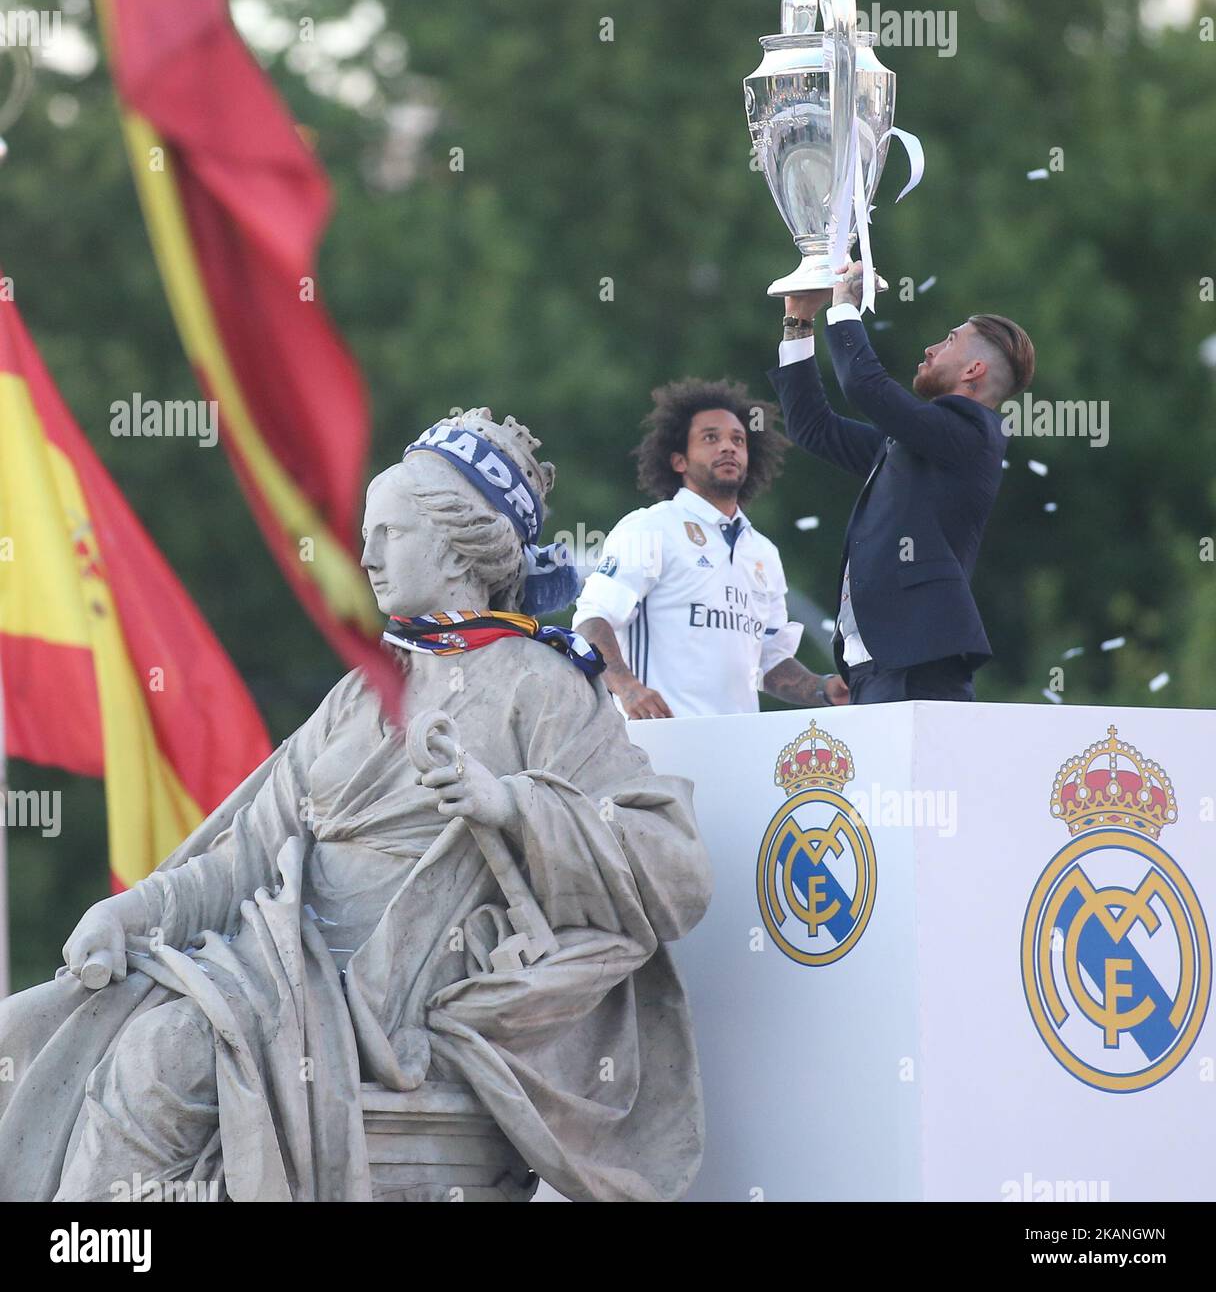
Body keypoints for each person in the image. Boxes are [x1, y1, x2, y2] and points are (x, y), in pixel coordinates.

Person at [0, 408, 712, 1203]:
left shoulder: (540, 685)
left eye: (389, 534)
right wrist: (130, 914)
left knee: (161, 1053)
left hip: (385, 1004)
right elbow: (245, 855)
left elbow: (673, 867)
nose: (366, 557)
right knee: (67, 1032)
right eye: (366, 535)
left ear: (458, 546)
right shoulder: (361, 693)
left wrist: (512, 806)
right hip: (276, 967)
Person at [768, 261, 1034, 704]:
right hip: (874, 664)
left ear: (973, 370)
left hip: (918, 663)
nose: (931, 349)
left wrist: (844, 307)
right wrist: (798, 321)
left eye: (949, 341)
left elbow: (865, 386)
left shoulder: (972, 432)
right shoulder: (918, 444)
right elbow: (813, 428)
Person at [573, 378, 847, 718]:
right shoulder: (651, 527)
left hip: (740, 743)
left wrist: (823, 688)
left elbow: (770, 661)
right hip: (658, 742)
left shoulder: (763, 552)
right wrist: (627, 688)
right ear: (679, 461)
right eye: (710, 438)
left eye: (738, 440)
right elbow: (591, 620)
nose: (728, 447)